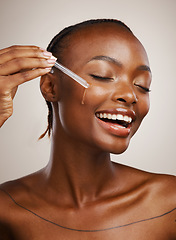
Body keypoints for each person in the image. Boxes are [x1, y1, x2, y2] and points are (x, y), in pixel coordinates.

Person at [0, 19, 175, 239]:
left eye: (142, 85)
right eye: (102, 75)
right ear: (50, 86)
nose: (131, 95)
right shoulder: (6, 209)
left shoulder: (169, 204)